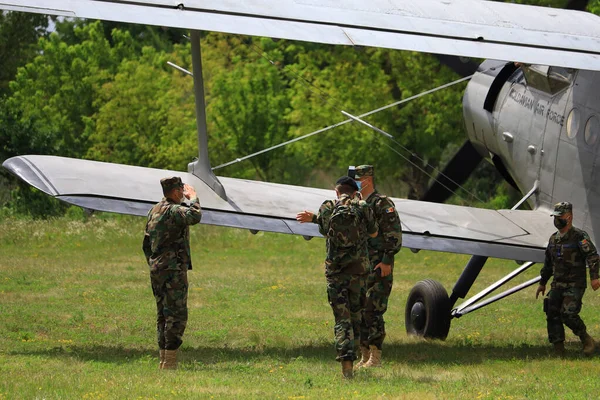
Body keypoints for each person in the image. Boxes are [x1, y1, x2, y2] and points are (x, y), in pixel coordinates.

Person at [296, 176, 378, 379]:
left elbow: (325, 230)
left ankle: (346, 364)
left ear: (336, 191)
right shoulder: (363, 206)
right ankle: (358, 353)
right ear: (354, 191)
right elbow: (374, 233)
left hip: (336, 273)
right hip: (358, 272)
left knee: (342, 319)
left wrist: (315, 218)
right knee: (356, 316)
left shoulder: (327, 206)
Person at [142, 177, 202, 370]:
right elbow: (194, 216)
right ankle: (170, 362)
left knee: (162, 314)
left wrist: (153, 262)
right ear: (176, 191)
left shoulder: (154, 210)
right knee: (176, 314)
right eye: (181, 190)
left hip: (157, 269)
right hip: (173, 269)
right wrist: (193, 198)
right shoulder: (174, 210)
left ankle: (163, 359)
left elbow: (146, 243)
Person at [350, 165, 402, 368]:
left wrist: (387, 260)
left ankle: (376, 356)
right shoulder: (358, 203)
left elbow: (394, 236)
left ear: (367, 180)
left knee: (373, 311)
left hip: (379, 265)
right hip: (361, 267)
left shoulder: (382, 204)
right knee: (361, 310)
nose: (355, 184)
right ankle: (364, 355)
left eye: (357, 180)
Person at [535, 201, 600, 356]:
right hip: (557, 283)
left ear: (568, 217)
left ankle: (586, 340)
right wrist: (542, 282)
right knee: (551, 311)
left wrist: (595, 277)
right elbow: (548, 263)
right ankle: (558, 349)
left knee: (568, 313)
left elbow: (592, 256)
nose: (556, 219)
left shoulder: (579, 236)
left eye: (559, 216)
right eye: (555, 216)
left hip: (575, 284)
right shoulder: (553, 239)